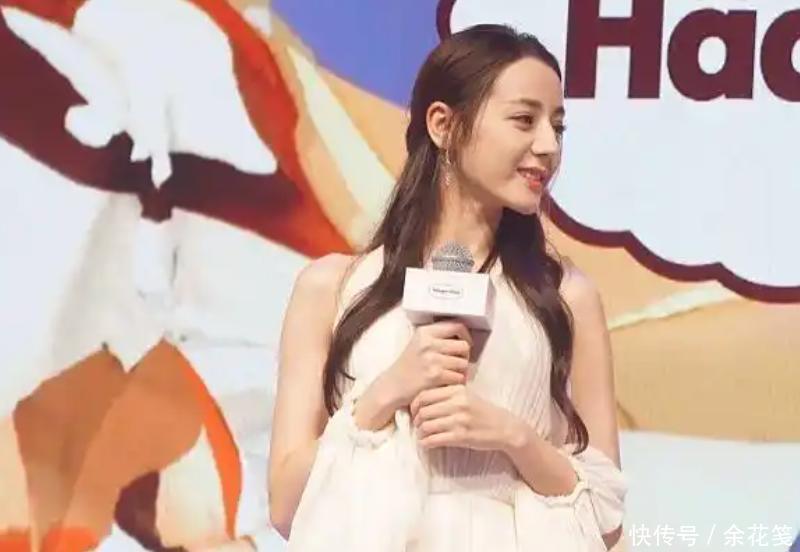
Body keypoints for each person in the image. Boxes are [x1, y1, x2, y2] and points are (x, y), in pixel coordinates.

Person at [267, 23, 627, 551]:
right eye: (524, 120)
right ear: (443, 124)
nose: (548, 146)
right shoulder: (332, 288)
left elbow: (608, 520)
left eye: (557, 127)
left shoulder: (566, 297)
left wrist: (514, 438)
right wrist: (383, 396)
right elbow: (284, 506)